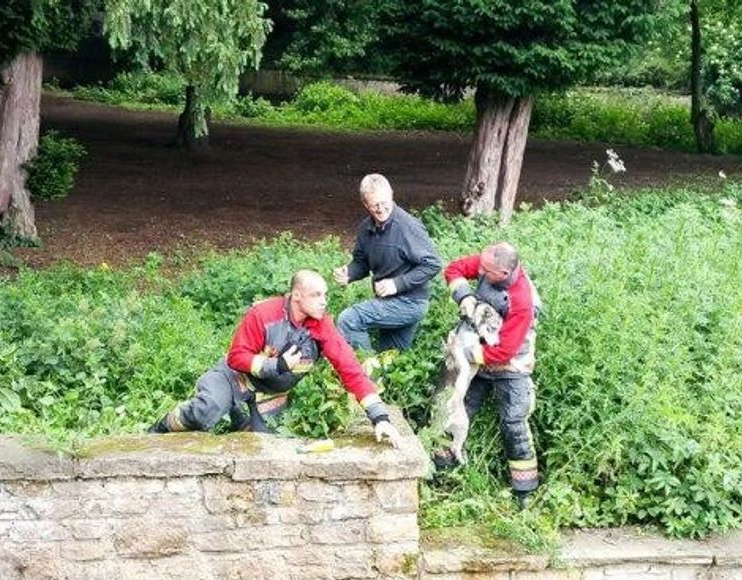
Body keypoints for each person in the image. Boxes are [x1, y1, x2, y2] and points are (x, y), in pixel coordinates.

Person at [148, 270, 401, 447]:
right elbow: (236, 357)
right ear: (296, 295)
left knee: (263, 447)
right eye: (316, 295)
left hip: (270, 394)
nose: (324, 302)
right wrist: (275, 365)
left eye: (325, 295)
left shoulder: (322, 326)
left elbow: (350, 369)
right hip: (233, 378)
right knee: (206, 411)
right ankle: (159, 428)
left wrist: (380, 417)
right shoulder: (263, 314)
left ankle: (239, 416)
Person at [435, 242, 540, 508]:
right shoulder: (489, 264)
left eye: (485, 270)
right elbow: (454, 269)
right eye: (480, 266)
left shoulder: (523, 300)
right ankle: (439, 473)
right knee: (454, 409)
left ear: (504, 273)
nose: (479, 271)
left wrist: (466, 355)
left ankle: (524, 491)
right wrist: (465, 297)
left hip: (511, 365)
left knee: (514, 423)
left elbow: (504, 351)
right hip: (478, 359)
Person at [333, 173, 441, 353]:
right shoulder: (365, 229)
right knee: (390, 358)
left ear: (391, 195)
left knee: (349, 319)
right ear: (365, 204)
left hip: (410, 302)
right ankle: (380, 369)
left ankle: (365, 368)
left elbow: (433, 264)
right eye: (375, 205)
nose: (381, 209)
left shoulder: (407, 226)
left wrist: (397, 284)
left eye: (384, 203)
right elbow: (361, 263)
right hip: (386, 301)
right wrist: (349, 273)